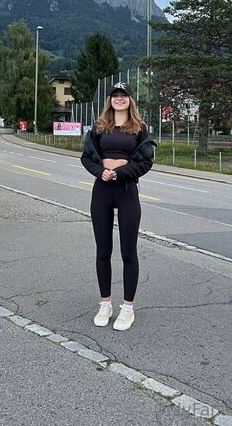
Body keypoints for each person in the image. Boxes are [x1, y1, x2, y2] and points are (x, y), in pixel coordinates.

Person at [81, 82, 156, 331]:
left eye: (124, 95)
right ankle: (105, 304)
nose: (119, 99)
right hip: (102, 190)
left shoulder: (140, 128)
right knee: (103, 251)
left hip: (126, 191)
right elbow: (86, 157)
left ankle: (127, 308)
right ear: (110, 100)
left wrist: (121, 172)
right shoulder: (99, 126)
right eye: (115, 95)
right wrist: (100, 171)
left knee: (128, 252)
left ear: (130, 100)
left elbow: (146, 162)